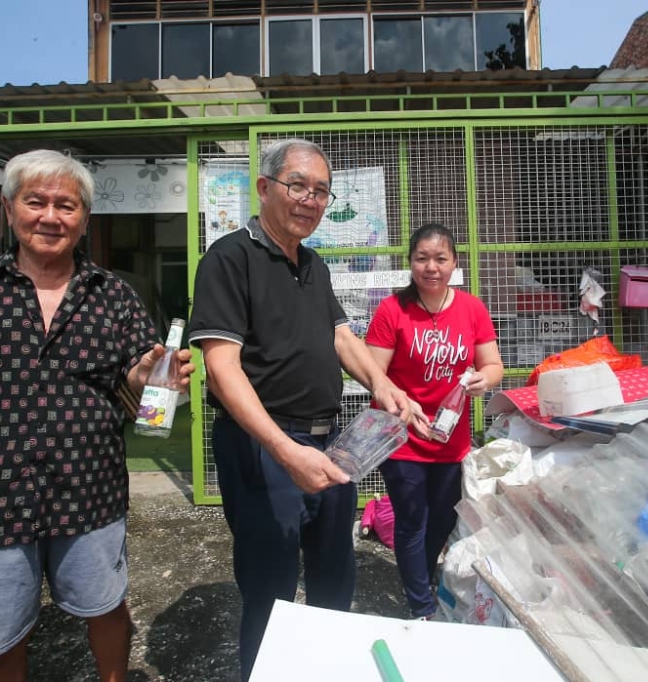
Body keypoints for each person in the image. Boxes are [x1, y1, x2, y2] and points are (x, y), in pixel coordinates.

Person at [0, 149, 194, 682]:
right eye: (36, 202)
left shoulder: (113, 295)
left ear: (85, 218)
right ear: (8, 207)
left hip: (91, 492)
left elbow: (136, 371)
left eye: (67, 205)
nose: (51, 217)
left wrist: (157, 374)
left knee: (106, 606)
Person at [187, 138, 411, 680]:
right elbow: (222, 368)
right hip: (265, 447)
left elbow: (340, 336)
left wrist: (383, 384)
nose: (309, 200)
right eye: (297, 186)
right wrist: (285, 451)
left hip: (330, 442)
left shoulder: (313, 264)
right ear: (264, 188)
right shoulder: (228, 259)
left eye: (320, 192)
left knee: (335, 576)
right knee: (271, 590)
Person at [365, 222, 504, 620]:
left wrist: (484, 379)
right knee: (412, 521)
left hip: (451, 438)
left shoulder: (472, 308)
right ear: (410, 263)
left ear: (454, 263)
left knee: (442, 521)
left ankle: (420, 578)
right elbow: (376, 375)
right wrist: (405, 407)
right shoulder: (393, 310)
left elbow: (493, 364)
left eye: (440, 258)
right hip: (403, 435)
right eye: (422, 258)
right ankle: (421, 607)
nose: (431, 267)